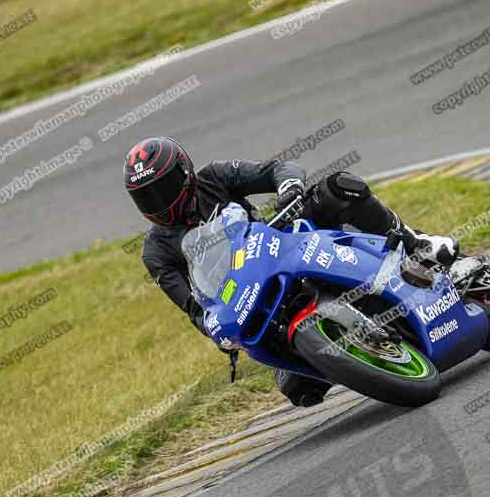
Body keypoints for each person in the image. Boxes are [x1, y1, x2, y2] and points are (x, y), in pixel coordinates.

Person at [124, 137, 459, 407]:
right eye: (146, 197)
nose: (157, 203)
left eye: (163, 190)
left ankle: (417, 243)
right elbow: (192, 307)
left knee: (338, 188)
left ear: (185, 175)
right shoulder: (156, 252)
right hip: (245, 296)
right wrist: (215, 333)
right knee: (298, 389)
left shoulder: (214, 177)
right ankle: (358, 351)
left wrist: (290, 190)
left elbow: (279, 169)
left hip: (280, 244)